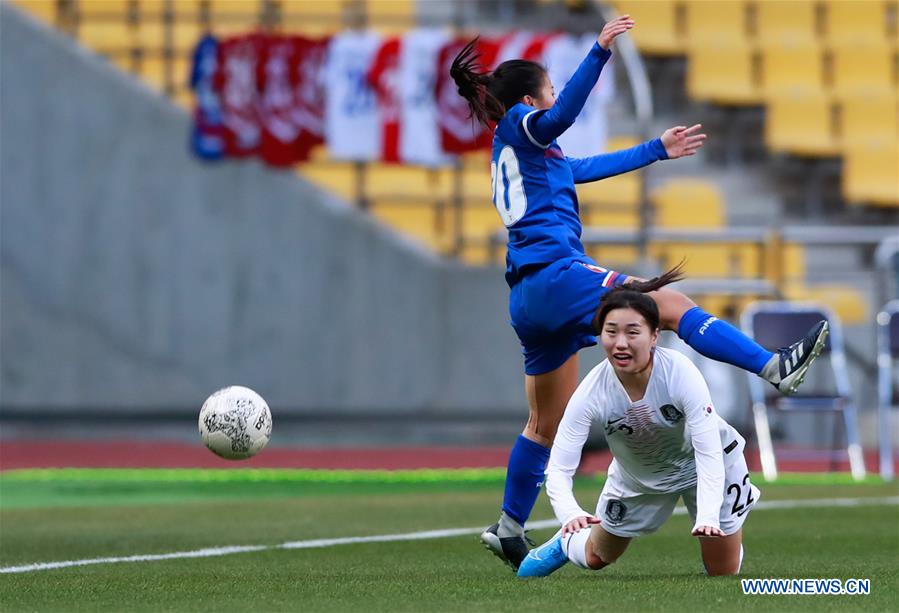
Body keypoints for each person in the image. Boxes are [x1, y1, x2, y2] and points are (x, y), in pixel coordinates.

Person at [449, 16, 828, 570]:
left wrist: (655, 148)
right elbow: (561, 116)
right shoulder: (523, 126)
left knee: (543, 424)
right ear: (530, 98)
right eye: (548, 88)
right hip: (559, 275)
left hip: (529, 297)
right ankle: (774, 367)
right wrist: (600, 52)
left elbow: (586, 166)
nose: (552, 99)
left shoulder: (525, 156)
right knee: (669, 307)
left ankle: (509, 527)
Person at [517, 277, 759, 578]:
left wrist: (708, 514)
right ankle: (566, 545)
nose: (621, 343)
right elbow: (560, 466)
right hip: (640, 476)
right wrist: (571, 514)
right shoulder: (593, 390)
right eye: (611, 332)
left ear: (655, 335)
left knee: (722, 573)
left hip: (707, 465)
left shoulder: (680, 373)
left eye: (633, 332)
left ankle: (723, 538)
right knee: (597, 557)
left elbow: (707, 450)